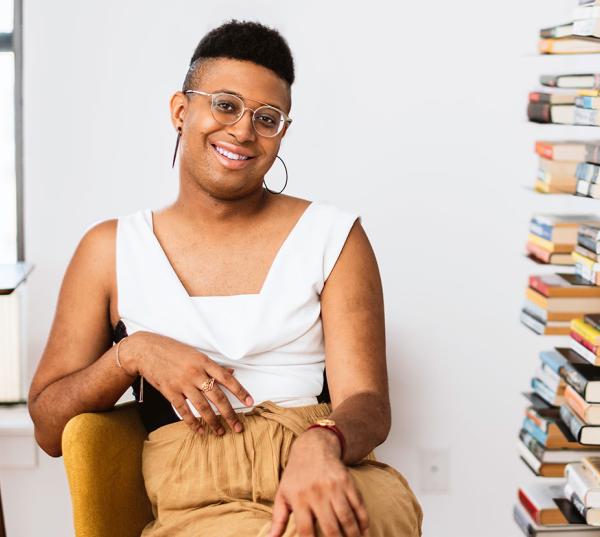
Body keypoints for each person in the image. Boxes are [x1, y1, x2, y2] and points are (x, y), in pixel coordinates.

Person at [27, 19, 422, 537]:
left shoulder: (333, 235)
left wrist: (322, 442)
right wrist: (134, 352)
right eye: (226, 105)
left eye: (267, 117)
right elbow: (50, 428)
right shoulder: (110, 249)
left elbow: (368, 403)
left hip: (324, 464)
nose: (243, 131)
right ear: (180, 110)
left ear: (283, 132)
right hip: (198, 489)